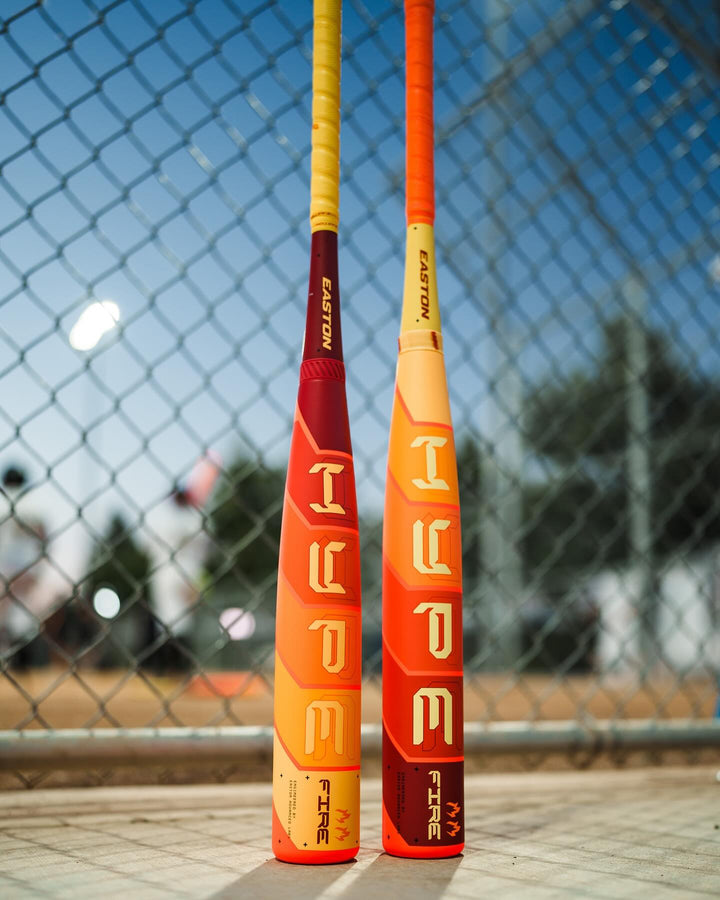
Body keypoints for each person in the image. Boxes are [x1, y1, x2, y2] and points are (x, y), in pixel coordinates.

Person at [142, 452, 221, 672]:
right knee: (174, 621)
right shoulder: (189, 519)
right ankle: (173, 666)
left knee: (174, 622)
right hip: (176, 574)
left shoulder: (179, 519)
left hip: (178, 574)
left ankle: (174, 666)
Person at [0, 465, 49, 668]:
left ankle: (6, 651)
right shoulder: (33, 503)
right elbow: (43, 536)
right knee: (24, 615)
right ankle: (23, 656)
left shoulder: (3, 501)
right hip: (28, 567)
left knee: (4, 611)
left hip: (4, 566)